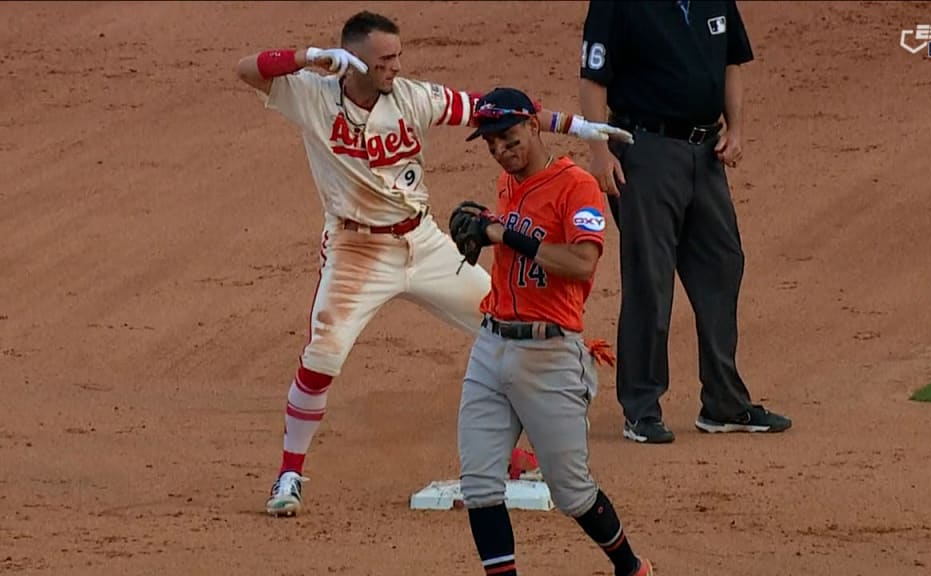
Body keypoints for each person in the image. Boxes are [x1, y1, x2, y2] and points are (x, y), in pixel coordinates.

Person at [234, 10, 634, 516]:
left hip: (423, 242)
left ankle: (510, 451)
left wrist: (578, 126)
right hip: (357, 250)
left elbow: (489, 112)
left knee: (500, 319)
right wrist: (308, 57)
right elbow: (247, 70)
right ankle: (289, 473)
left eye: (398, 56)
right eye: (385, 60)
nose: (396, 67)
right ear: (352, 59)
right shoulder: (310, 95)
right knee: (323, 354)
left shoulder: (413, 97)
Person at [448, 87, 653, 576]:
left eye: (508, 136)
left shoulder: (576, 186)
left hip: (550, 354)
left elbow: (582, 264)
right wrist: (485, 229)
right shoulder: (505, 185)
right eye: (491, 142)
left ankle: (631, 567)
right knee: (479, 486)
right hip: (491, 346)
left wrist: (500, 233)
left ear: (533, 127)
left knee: (572, 492)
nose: (500, 148)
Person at [578, 1, 792, 444]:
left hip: (706, 152)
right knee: (650, 279)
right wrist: (599, 151)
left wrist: (736, 127)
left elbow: (731, 59)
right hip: (645, 150)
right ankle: (641, 409)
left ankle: (724, 403)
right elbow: (593, 79)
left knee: (723, 266)